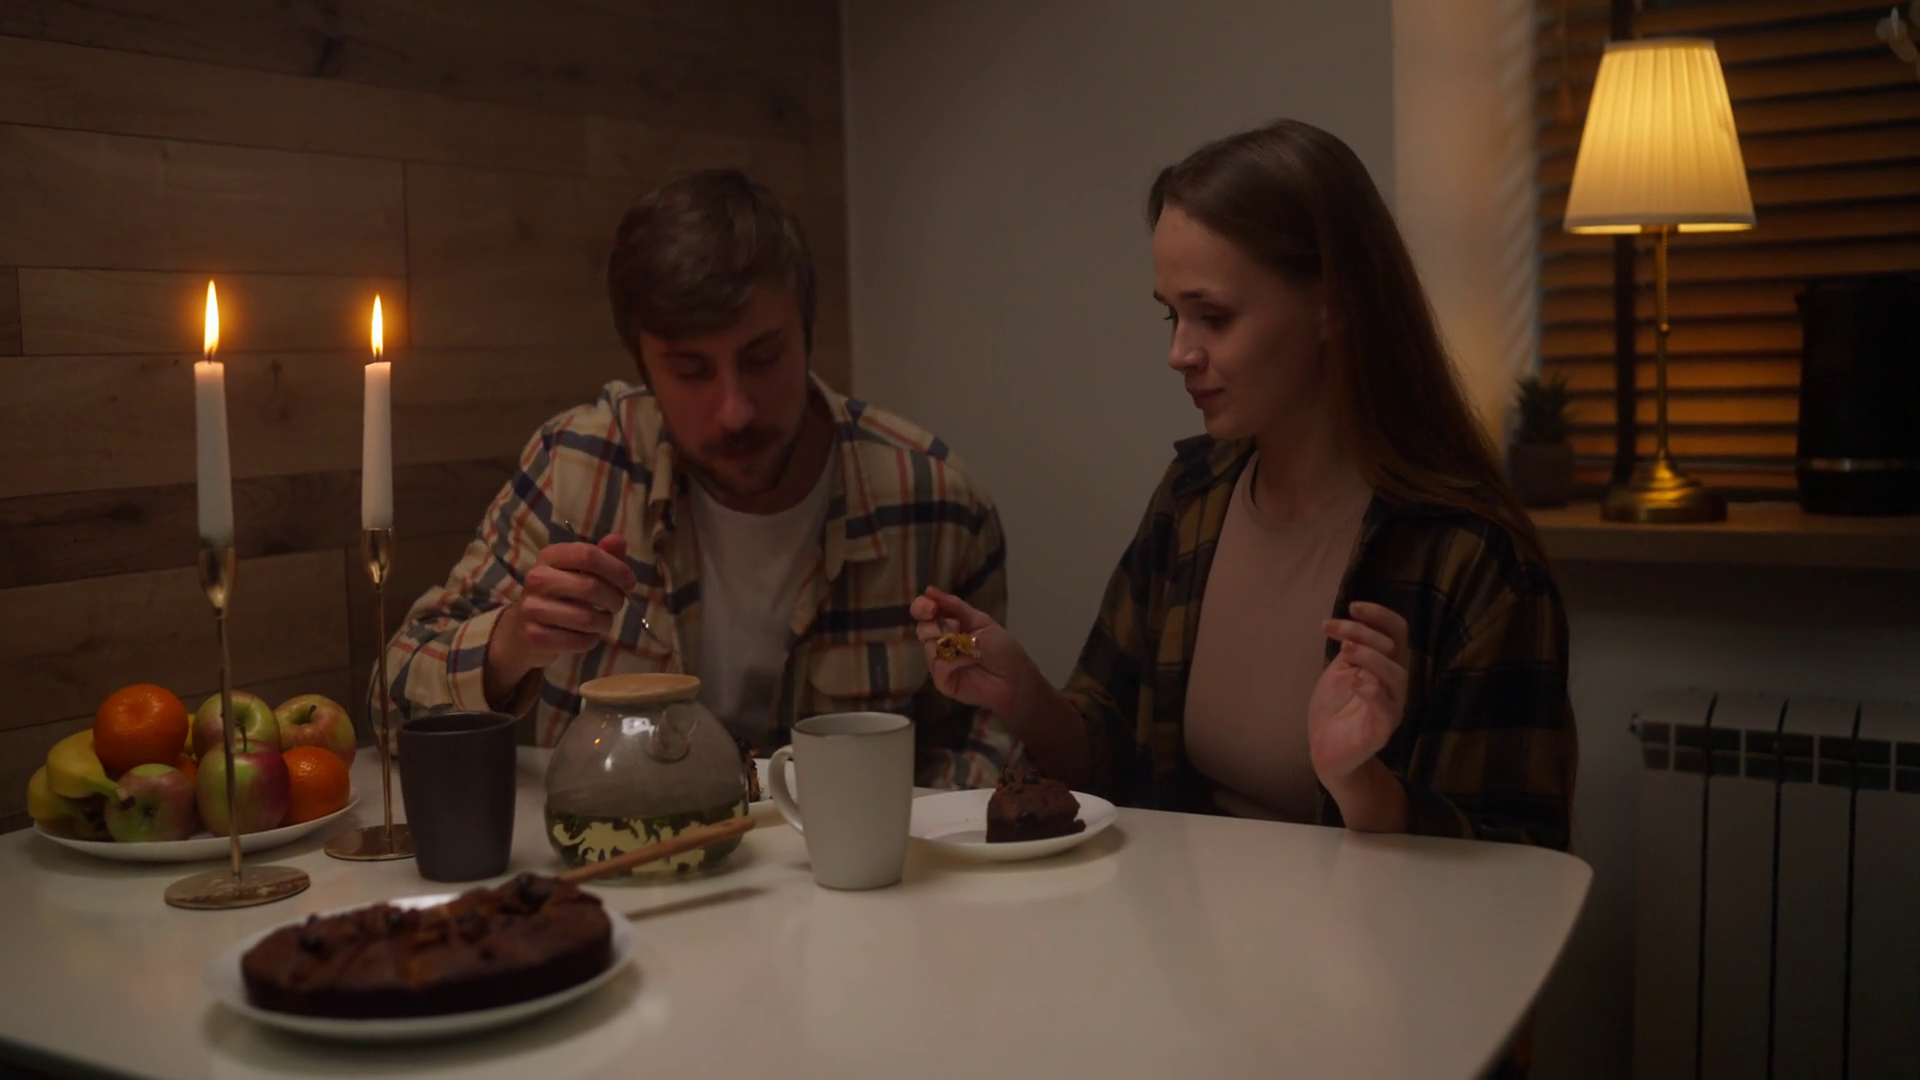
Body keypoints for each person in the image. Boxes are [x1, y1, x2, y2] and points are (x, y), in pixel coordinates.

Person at [912, 120, 1576, 846]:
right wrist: (1024, 695)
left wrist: (1362, 784)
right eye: (1172, 315)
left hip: (1369, 923)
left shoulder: (1472, 560)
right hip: (1183, 913)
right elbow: (1107, 759)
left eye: (1214, 317)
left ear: (1334, 304)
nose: (1178, 353)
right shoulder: (1191, 498)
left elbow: (1519, 865)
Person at [385, 169, 1014, 788]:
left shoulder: (935, 502)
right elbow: (391, 703)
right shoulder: (577, 468)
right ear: (643, 370)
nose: (735, 410)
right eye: (691, 371)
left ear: (808, 333)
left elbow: (984, 737)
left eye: (762, 357)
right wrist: (511, 643)